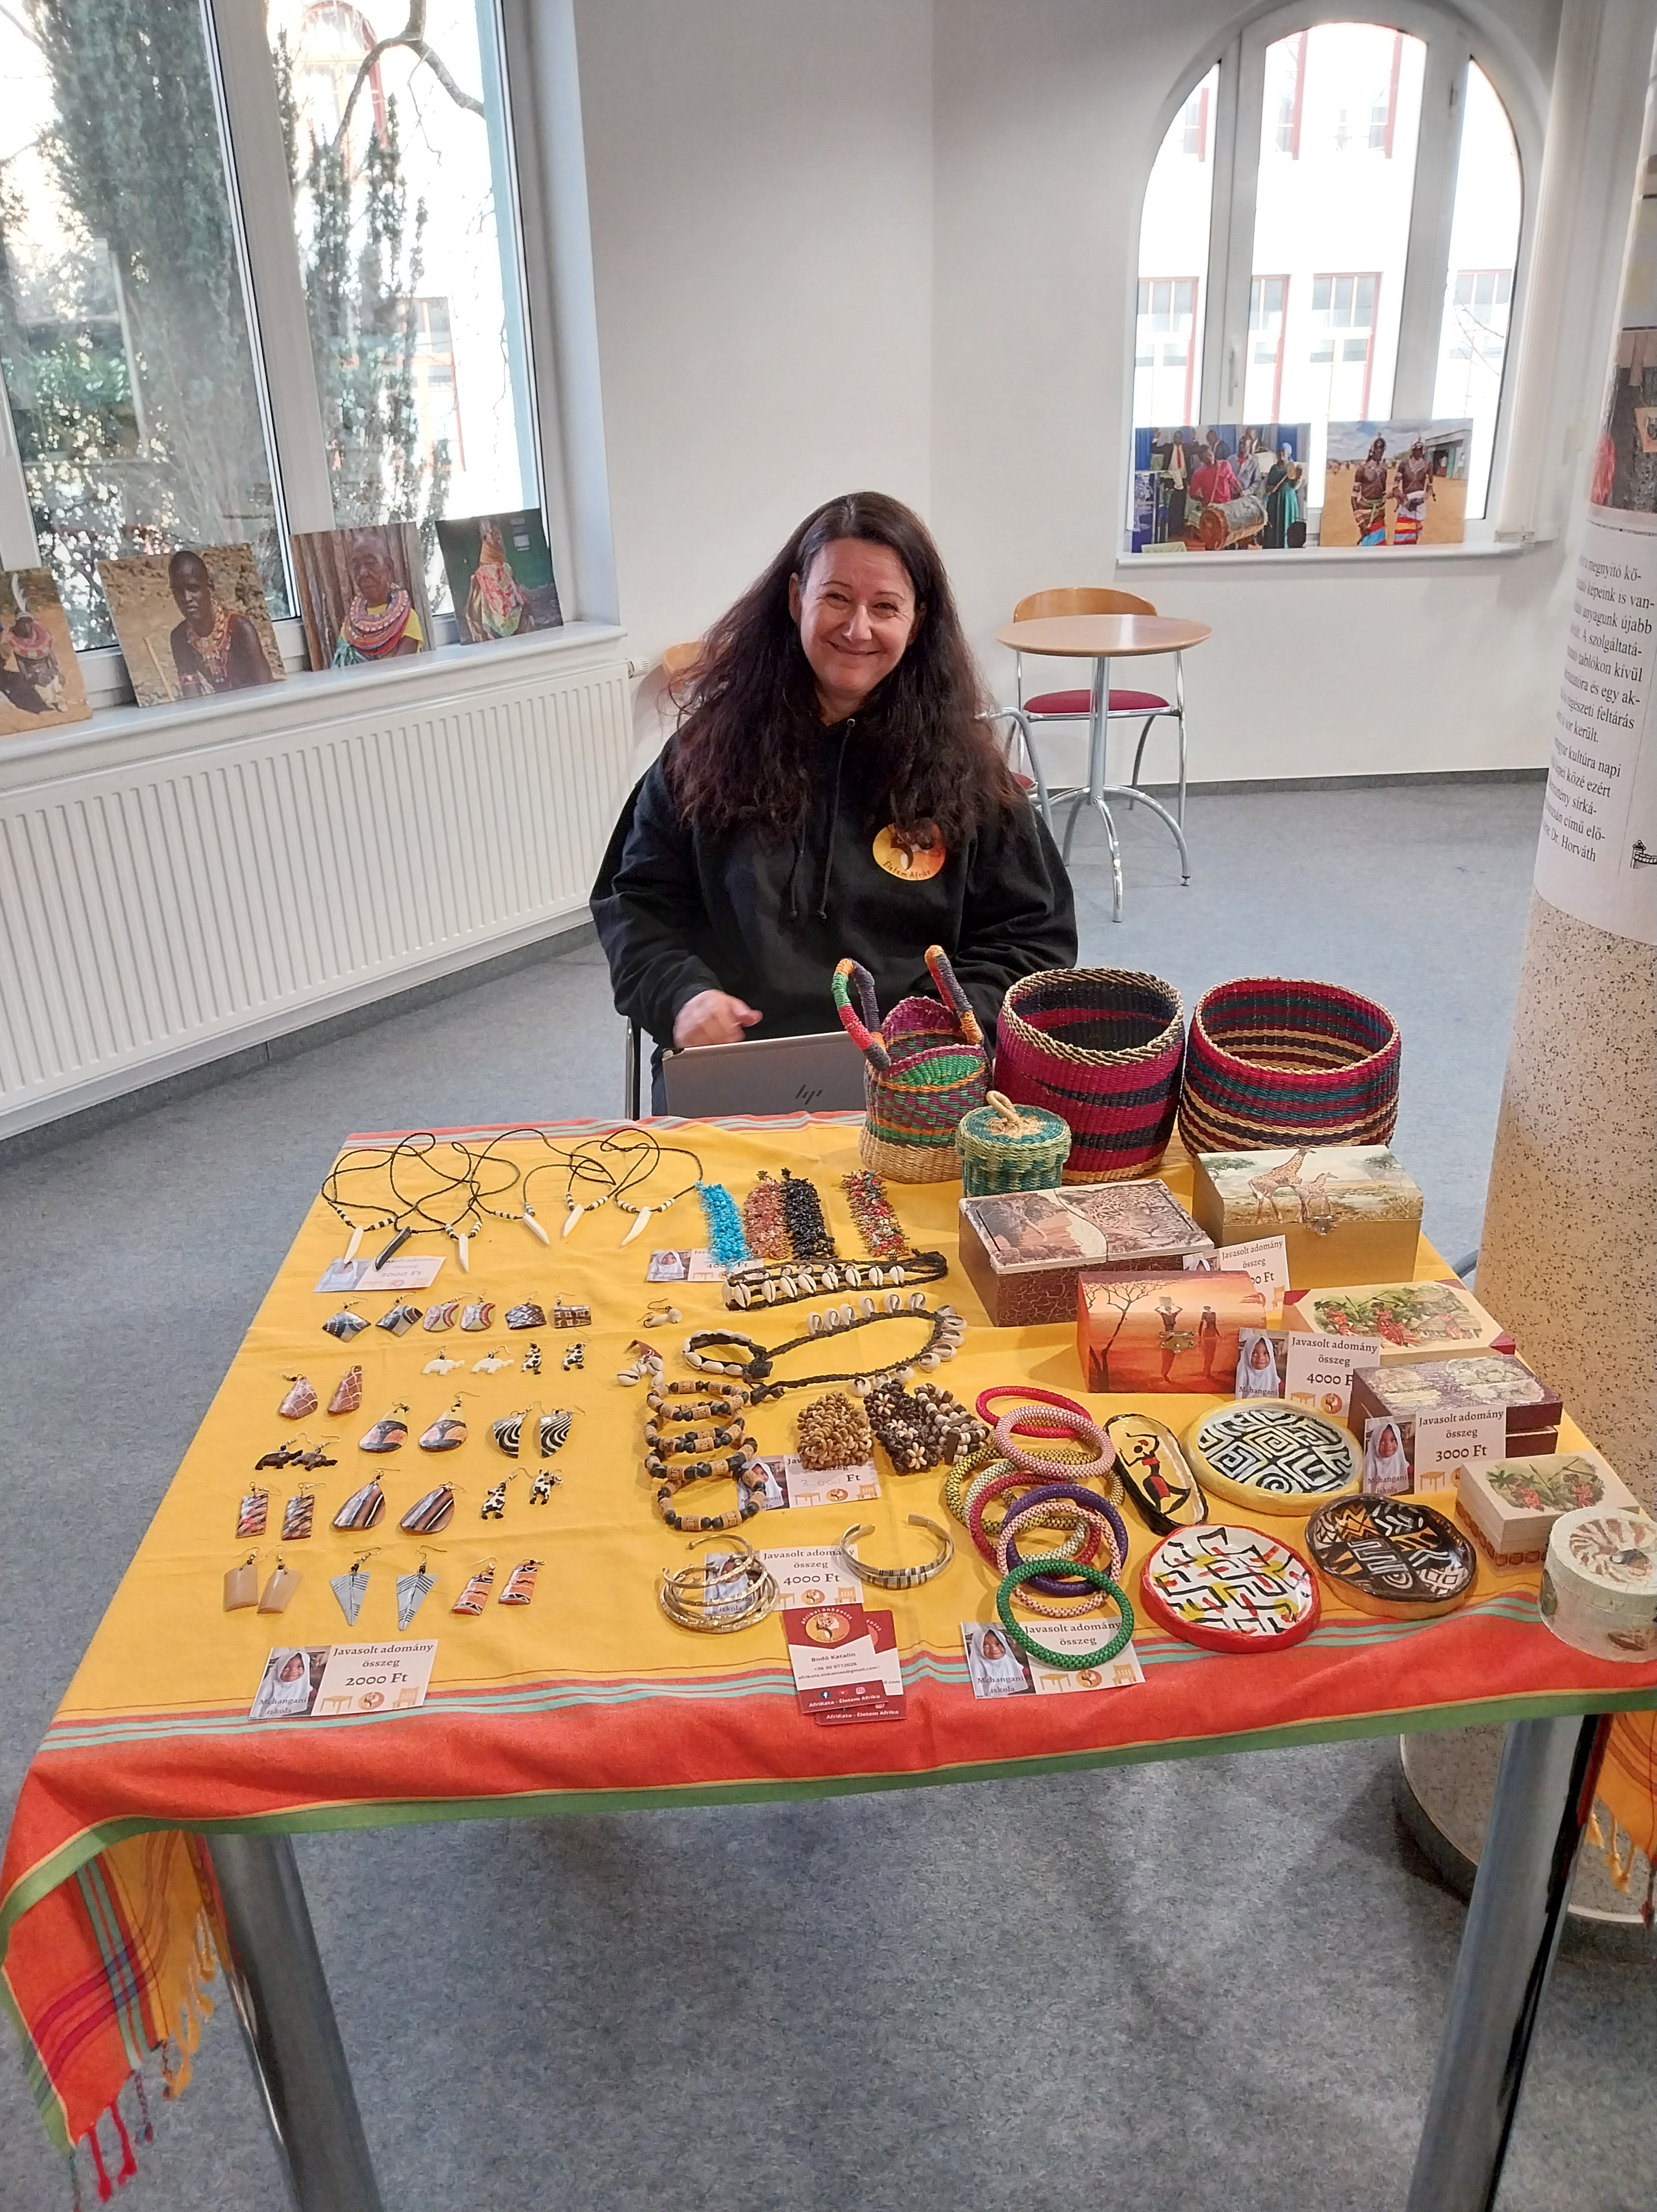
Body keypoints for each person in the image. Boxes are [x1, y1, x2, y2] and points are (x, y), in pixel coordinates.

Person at [591, 494, 1076, 1076]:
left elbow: (1032, 936)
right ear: (797, 598)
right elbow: (637, 905)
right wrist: (682, 996)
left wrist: (946, 1019)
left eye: (885, 606)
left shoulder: (965, 772)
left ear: (916, 622)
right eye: (836, 598)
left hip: (918, 1068)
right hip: (738, 1056)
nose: (857, 628)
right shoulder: (702, 757)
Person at [168, 550, 275, 696]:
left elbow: (267, 690)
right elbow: (192, 696)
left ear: (210, 587)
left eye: (193, 588)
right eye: (179, 591)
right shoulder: (180, 638)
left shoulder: (240, 629)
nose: (187, 598)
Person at [332, 529, 424, 663]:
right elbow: (343, 669)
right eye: (356, 567)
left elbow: (402, 668)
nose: (363, 573)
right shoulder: (350, 627)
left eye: (371, 563)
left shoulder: (407, 618)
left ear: (388, 568)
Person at [463, 518, 533, 641]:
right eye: (493, 533)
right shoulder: (489, 566)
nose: (498, 537)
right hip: (495, 613)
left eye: (498, 533)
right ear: (485, 537)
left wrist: (522, 602)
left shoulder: (500, 560)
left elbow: (511, 586)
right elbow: (498, 593)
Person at [4, 610, 65, 709]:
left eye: (28, 623)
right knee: (41, 688)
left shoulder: (43, 637)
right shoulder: (17, 643)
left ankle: (57, 699)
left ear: (31, 623)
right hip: (33, 674)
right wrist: (28, 676)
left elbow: (51, 657)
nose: (26, 626)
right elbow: (21, 665)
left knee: (57, 680)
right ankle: (49, 701)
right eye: (22, 623)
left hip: (46, 670)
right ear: (18, 624)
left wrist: (54, 670)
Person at [1390, 438, 1435, 546]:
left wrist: (1421, 500)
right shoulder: (1404, 465)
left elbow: (1430, 488)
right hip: (1406, 504)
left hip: (1419, 507)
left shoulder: (1428, 465)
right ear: (1412, 450)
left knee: (1413, 540)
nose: (1419, 452)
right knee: (1400, 539)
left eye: (1421, 449)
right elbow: (1395, 487)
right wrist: (1403, 499)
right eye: (1417, 449)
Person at [967, 1624, 1033, 1696]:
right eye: (986, 1645)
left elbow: (1024, 1672)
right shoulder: (975, 1668)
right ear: (978, 1648)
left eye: (998, 1644)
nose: (994, 1649)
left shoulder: (1009, 1662)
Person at [252, 1649, 317, 1720]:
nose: (293, 1671)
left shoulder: (310, 1692)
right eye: (286, 1667)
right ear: (279, 1668)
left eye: (300, 1667)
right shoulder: (266, 1689)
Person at [1351, 435, 1390, 546]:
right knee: (1368, 548)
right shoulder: (1362, 471)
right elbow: (1353, 499)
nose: (1380, 451)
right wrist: (1361, 524)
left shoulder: (1384, 471)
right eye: (1377, 447)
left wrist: (1392, 495)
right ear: (1372, 449)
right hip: (1366, 515)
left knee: (1380, 548)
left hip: (1379, 515)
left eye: (1382, 448)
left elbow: (1383, 494)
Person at [1262, 446, 1302, 550]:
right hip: (1275, 502)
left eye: (1283, 451)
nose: (1281, 454)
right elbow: (1267, 486)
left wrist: (1299, 478)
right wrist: (1270, 488)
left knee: (1287, 522)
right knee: (1274, 524)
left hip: (1288, 501)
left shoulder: (1292, 468)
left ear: (1288, 453)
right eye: (1279, 451)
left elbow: (1295, 485)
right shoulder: (1274, 469)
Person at [1189, 439, 1241, 513]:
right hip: (1211, 508)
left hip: (1227, 505)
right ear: (1201, 460)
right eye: (1206, 459)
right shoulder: (1198, 474)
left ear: (1213, 453)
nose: (1210, 459)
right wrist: (1204, 501)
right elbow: (1192, 494)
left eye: (1211, 455)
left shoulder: (1225, 465)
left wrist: (1241, 494)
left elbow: (1234, 482)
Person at [1364, 1419, 1411, 1496]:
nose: (1388, 1445)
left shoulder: (1406, 1468)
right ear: (1375, 1443)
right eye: (1382, 1441)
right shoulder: (1367, 1468)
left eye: (1393, 1440)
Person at [1235, 1329, 1281, 1398]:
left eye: (1266, 1353)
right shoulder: (1238, 1381)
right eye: (1254, 1353)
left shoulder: (1280, 1386)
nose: (1261, 1358)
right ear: (1247, 1355)